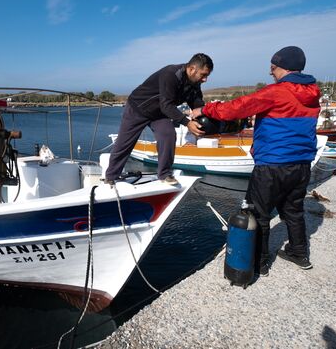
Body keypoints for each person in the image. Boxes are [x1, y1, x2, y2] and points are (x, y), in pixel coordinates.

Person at [191, 46, 321, 277]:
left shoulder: (276, 92)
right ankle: (299, 253)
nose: (271, 73)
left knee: (258, 214)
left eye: (273, 68)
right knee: (293, 210)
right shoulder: (312, 93)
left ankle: (259, 263)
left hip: (273, 164)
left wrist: (206, 109)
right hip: (302, 164)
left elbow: (236, 108)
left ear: (284, 68)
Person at [105, 53, 211, 185]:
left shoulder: (194, 83)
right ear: (192, 69)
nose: (205, 79)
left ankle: (164, 174)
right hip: (137, 108)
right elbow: (167, 105)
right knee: (124, 143)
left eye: (207, 76)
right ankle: (111, 176)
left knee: (168, 135)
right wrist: (187, 122)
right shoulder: (171, 74)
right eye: (203, 75)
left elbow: (196, 102)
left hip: (159, 112)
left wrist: (204, 117)